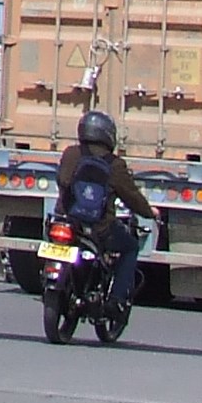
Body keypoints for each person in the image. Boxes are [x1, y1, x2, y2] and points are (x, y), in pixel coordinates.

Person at [58, 108, 154, 307]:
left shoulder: (70, 154)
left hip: (67, 220)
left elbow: (62, 180)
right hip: (99, 228)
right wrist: (149, 212)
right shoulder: (114, 164)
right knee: (130, 248)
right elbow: (132, 196)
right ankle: (116, 299)